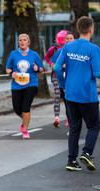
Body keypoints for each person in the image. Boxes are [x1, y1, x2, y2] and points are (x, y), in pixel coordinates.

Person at [54, 16, 100, 171]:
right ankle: (87, 153)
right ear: (91, 29)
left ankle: (71, 161)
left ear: (79, 30)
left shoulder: (68, 47)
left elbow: (56, 68)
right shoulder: (94, 49)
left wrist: (63, 85)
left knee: (74, 127)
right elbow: (98, 72)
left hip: (70, 94)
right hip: (88, 95)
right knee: (94, 126)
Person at [6, 33, 44, 139]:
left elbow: (41, 68)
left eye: (24, 40)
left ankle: (25, 130)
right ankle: (25, 119)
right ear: (18, 42)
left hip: (31, 84)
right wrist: (11, 73)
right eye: (20, 40)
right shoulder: (13, 54)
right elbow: (8, 68)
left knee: (25, 107)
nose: (22, 42)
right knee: (17, 108)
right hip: (16, 85)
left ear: (28, 42)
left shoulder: (34, 54)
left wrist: (37, 68)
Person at [50, 31, 75, 129]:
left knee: (67, 99)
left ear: (74, 40)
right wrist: (60, 66)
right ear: (64, 41)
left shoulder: (77, 52)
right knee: (57, 96)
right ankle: (57, 117)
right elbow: (53, 64)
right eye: (67, 39)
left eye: (70, 38)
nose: (68, 40)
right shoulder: (60, 51)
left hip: (70, 78)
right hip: (58, 77)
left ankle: (70, 119)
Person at [44, 30, 68, 128]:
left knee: (67, 97)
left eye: (63, 44)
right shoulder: (53, 49)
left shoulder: (69, 48)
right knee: (57, 94)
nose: (61, 46)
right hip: (56, 75)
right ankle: (57, 117)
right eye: (60, 44)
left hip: (67, 75)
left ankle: (69, 117)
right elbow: (46, 57)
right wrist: (51, 64)